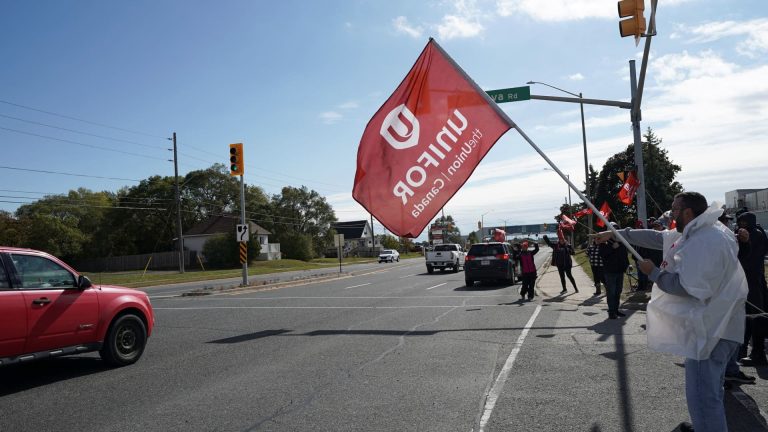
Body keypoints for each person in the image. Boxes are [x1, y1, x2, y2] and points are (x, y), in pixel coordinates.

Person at [594, 192, 748, 432]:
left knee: (703, 400)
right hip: (721, 327)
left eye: (675, 210)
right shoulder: (706, 231)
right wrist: (615, 233)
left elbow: (687, 287)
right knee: (711, 395)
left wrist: (653, 272)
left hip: (711, 332)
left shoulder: (704, 240)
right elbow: (657, 238)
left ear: (688, 212)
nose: (671, 215)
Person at [735, 211, 768, 366]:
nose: (740, 227)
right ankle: (744, 350)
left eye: (743, 223)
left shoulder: (754, 234)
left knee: (755, 317)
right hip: (752, 279)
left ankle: (758, 353)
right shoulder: (758, 232)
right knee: (748, 317)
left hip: (752, 281)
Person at [598, 222, 630, 319]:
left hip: (620, 270)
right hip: (610, 271)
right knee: (611, 292)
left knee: (618, 291)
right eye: (612, 229)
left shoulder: (621, 241)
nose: (615, 231)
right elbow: (602, 254)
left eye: (616, 228)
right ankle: (611, 311)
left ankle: (616, 310)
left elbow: (624, 255)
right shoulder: (604, 241)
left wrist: (627, 265)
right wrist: (612, 248)